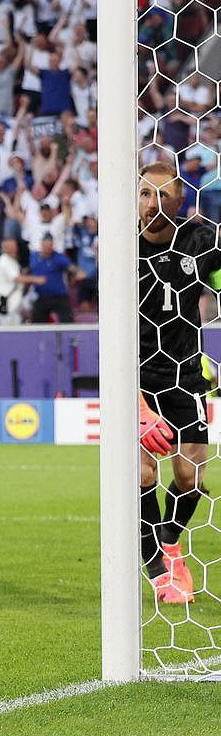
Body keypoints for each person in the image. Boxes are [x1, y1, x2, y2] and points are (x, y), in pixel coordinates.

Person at [137, 162, 220, 605]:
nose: (153, 204)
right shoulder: (120, 247)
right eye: (145, 195)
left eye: (163, 195)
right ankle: (155, 566)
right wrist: (133, 402)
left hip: (186, 374)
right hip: (137, 377)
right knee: (143, 471)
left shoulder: (200, 240)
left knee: (190, 477)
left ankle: (170, 541)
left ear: (180, 201)